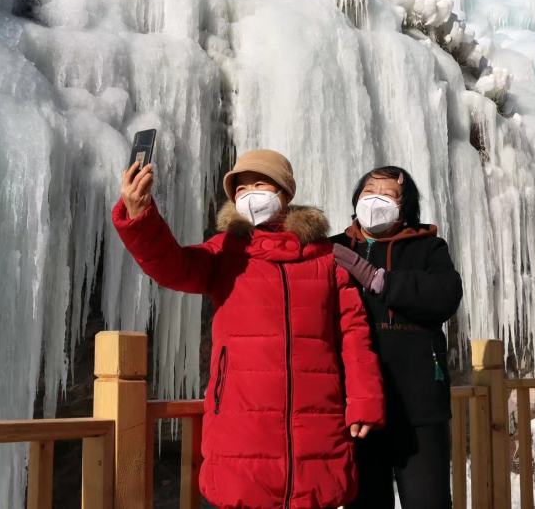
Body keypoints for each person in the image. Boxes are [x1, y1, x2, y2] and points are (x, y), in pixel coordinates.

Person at [113, 149, 384, 509]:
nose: (250, 195)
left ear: (285, 194)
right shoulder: (225, 253)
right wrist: (140, 214)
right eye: (240, 190)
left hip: (318, 428)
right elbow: (172, 266)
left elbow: (354, 336)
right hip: (241, 430)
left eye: (260, 184)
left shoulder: (325, 261)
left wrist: (365, 400)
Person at [330, 166, 463, 509]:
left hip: (419, 406)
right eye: (368, 192)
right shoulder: (335, 249)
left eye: (387, 195)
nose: (375, 200)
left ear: (405, 207)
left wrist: (382, 281)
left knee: (428, 501)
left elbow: (446, 295)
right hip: (356, 406)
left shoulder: (428, 247)